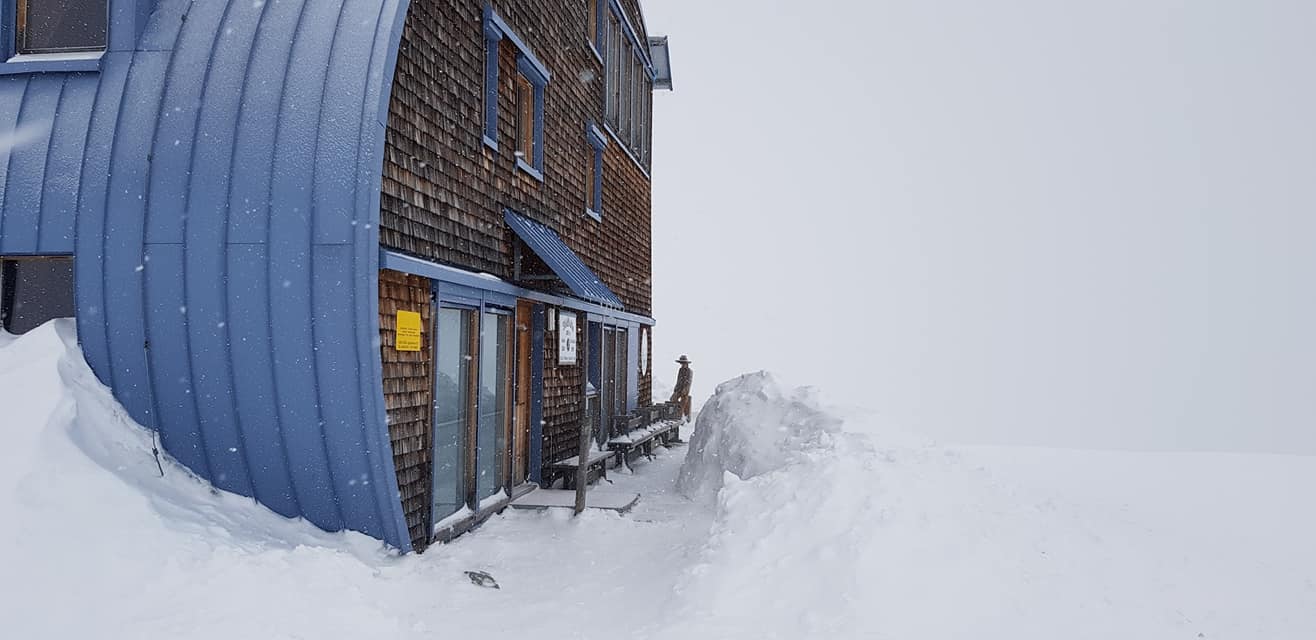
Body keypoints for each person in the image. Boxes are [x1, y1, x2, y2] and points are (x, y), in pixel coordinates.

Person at [669, 355, 694, 420]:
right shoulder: (680, 370)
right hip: (679, 389)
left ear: (686, 364)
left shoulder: (689, 371)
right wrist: (676, 389)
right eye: (681, 363)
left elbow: (689, 382)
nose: (682, 365)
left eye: (683, 363)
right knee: (672, 399)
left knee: (683, 402)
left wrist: (685, 390)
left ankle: (681, 416)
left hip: (685, 390)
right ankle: (674, 413)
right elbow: (678, 380)